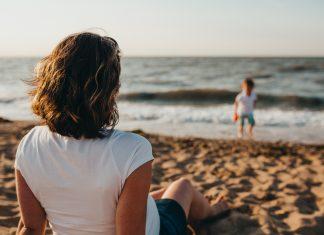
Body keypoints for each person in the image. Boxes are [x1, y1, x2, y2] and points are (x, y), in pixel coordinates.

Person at [15, 32, 229, 235]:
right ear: (110, 90)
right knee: (183, 187)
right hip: (158, 229)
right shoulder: (133, 148)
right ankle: (215, 212)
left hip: (106, 210)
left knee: (155, 195)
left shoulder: (29, 144)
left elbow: (31, 228)